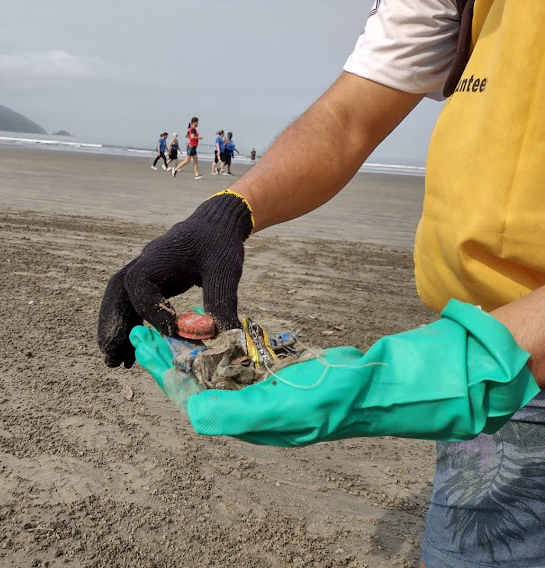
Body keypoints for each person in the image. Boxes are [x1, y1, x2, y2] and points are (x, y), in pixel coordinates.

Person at [99, 2, 545, 567]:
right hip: (493, 354)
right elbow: (349, 117)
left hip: (499, 355)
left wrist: (460, 366)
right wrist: (229, 210)